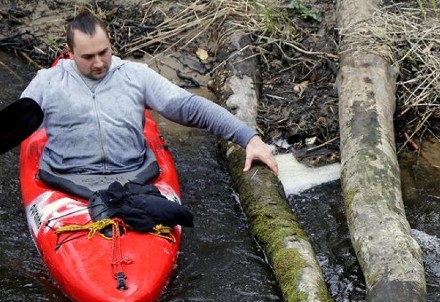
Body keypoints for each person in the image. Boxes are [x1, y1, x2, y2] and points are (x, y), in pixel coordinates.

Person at [20, 10, 279, 181]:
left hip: (133, 175)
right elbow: (13, 125)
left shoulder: (136, 75)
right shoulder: (48, 82)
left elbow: (190, 108)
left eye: (104, 52)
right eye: (88, 57)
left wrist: (249, 138)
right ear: (70, 51)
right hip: (65, 178)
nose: (99, 62)